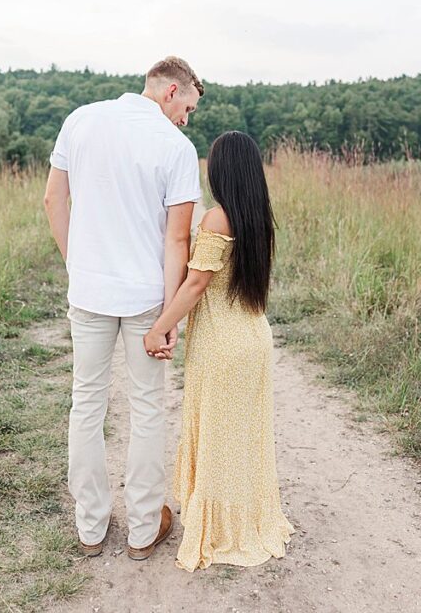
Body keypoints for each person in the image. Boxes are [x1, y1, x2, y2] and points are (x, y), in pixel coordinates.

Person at [43, 56, 203, 560]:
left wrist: (77, 266)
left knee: (86, 403)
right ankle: (142, 530)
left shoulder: (80, 120)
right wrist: (169, 315)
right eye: (188, 108)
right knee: (148, 406)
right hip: (145, 298)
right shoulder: (175, 147)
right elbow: (177, 239)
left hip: (89, 292)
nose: (186, 119)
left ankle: (90, 527)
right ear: (171, 91)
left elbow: (53, 200)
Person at [143, 131, 294, 571]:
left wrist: (159, 329)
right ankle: (245, 519)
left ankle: (222, 530)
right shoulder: (256, 217)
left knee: (218, 437)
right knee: (242, 438)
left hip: (224, 345)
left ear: (221, 170)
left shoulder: (216, 218)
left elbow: (195, 284)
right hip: (253, 338)